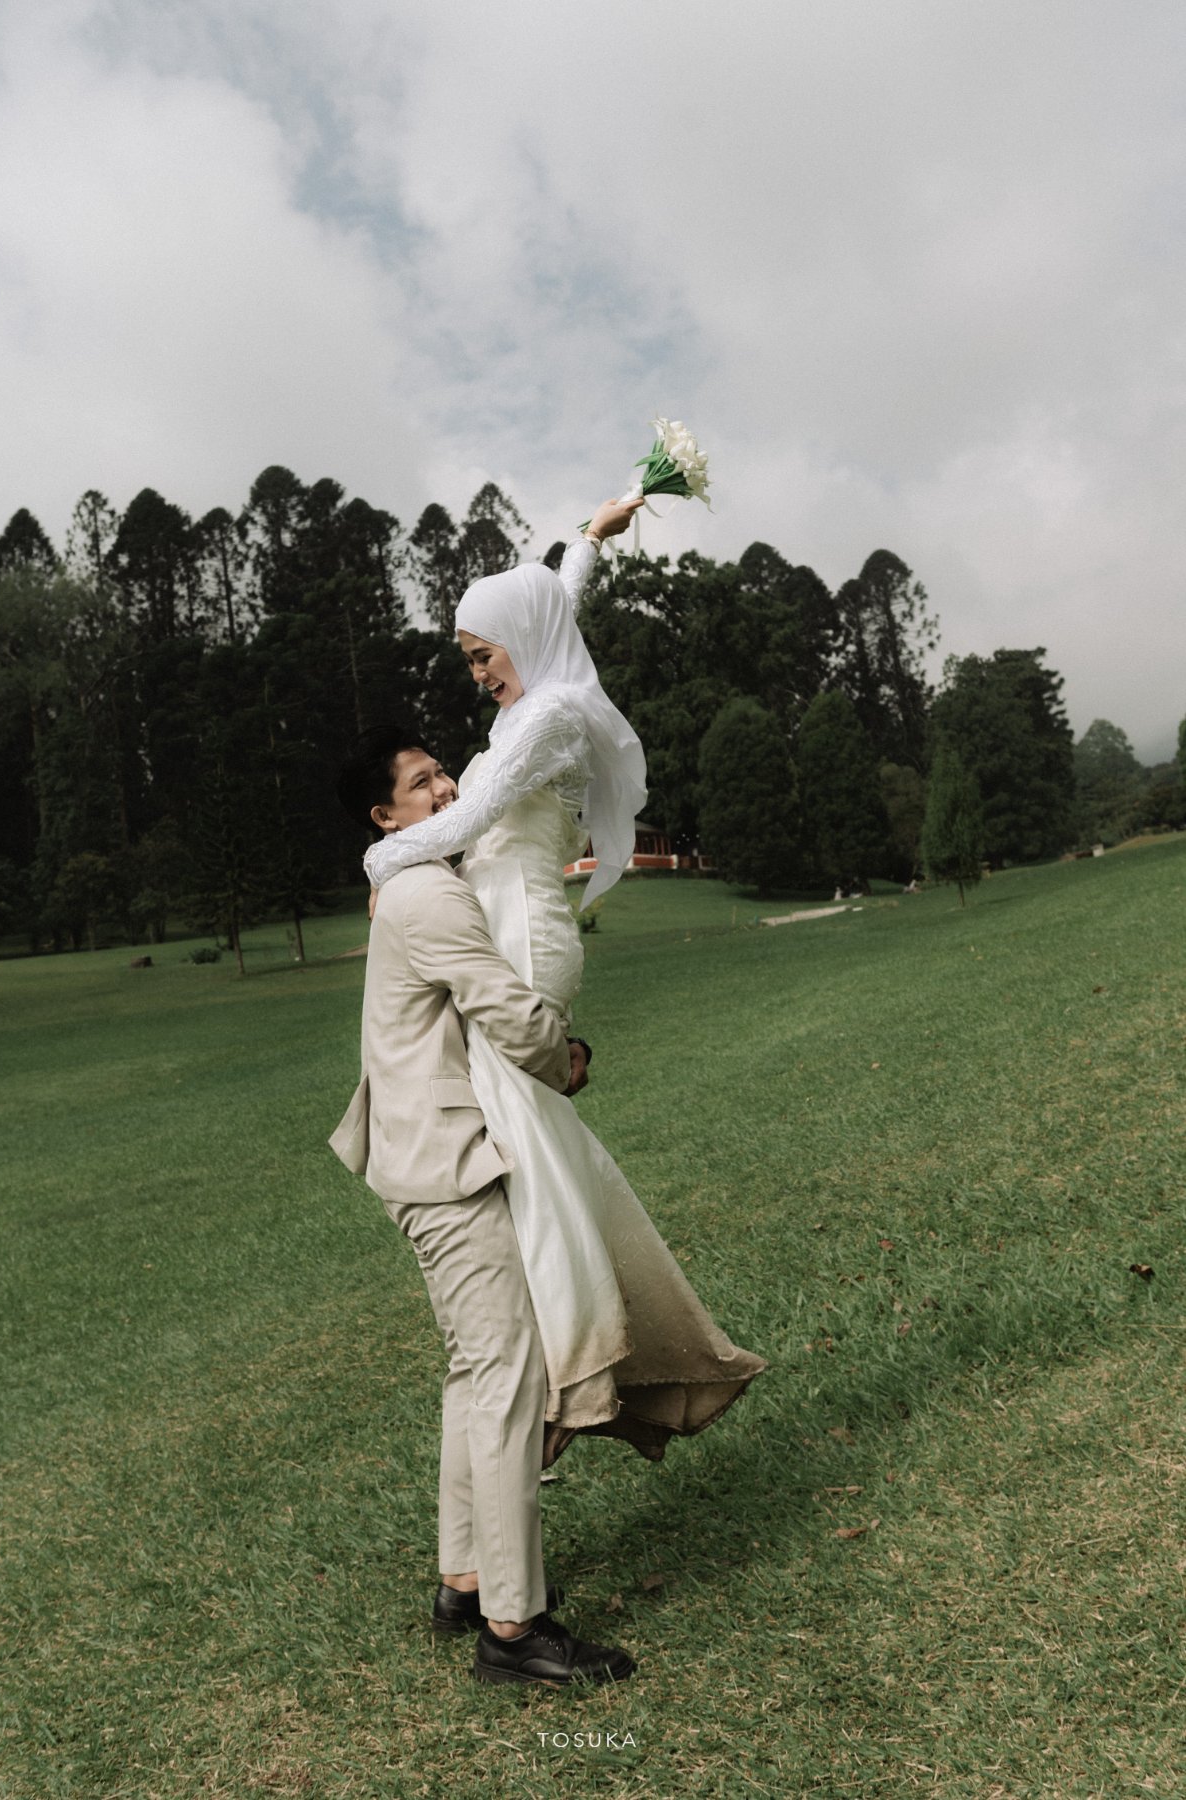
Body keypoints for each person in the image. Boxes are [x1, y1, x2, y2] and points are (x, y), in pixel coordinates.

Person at [359, 499, 765, 1458]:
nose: (477, 673)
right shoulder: (535, 695)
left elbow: (464, 822)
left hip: (526, 935)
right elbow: (555, 607)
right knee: (528, 1139)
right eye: (469, 658)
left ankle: (568, 1371)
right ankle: (586, 1353)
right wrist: (588, 540)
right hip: (499, 923)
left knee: (526, 1144)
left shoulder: (543, 718)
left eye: (482, 654)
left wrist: (379, 864)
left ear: (518, 641)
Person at [330, 731, 635, 1686]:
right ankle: (514, 1629)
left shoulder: (411, 879)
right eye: (420, 783)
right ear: (385, 818)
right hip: (445, 1166)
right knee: (508, 1380)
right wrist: (563, 1056)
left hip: (422, 1157)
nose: (445, 786)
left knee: (476, 1372)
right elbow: (501, 1004)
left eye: (441, 771)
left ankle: (465, 1580)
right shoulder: (423, 892)